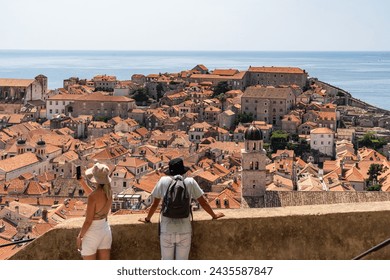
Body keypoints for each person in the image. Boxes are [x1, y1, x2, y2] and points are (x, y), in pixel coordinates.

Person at [139, 157, 224, 260]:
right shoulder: (190, 182)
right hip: (184, 229)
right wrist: (214, 215)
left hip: (167, 230)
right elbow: (203, 202)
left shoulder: (163, 181)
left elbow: (154, 204)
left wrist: (147, 219)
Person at [77, 162, 113, 260]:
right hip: (105, 231)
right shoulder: (109, 192)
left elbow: (88, 221)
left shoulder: (94, 197)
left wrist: (80, 237)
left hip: (92, 234)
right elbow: (95, 197)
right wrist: (82, 183)